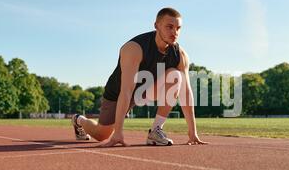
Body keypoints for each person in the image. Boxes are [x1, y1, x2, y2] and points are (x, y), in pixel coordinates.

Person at [71, 8, 208, 147]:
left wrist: (193, 132)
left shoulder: (180, 55)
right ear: (156, 25)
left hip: (145, 91)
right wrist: (118, 132)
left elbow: (185, 92)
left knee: (175, 76)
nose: (175, 32)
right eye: (169, 27)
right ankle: (78, 120)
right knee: (101, 135)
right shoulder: (134, 48)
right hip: (118, 93)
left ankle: (156, 131)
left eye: (178, 28)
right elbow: (125, 91)